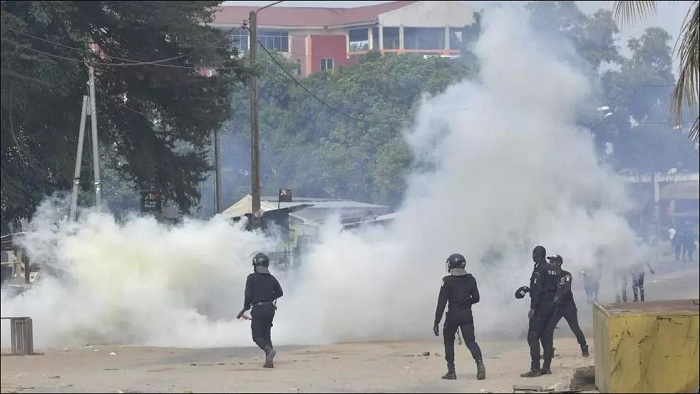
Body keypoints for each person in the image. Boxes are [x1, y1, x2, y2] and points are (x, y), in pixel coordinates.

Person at [433, 253, 486, 381]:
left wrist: (437, 321)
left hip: (452, 315)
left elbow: (442, 302)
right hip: (467, 314)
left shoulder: (447, 281)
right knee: (471, 341)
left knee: (449, 342)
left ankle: (451, 371)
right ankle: (479, 364)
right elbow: (477, 298)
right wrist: (466, 302)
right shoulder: (471, 279)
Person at [540, 255, 589, 375]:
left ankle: (583, 346)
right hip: (556, 307)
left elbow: (565, 289)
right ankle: (549, 351)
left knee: (575, 328)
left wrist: (557, 297)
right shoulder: (549, 276)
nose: (551, 263)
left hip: (568, 306)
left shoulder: (566, 275)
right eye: (550, 261)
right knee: (548, 329)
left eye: (553, 261)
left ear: (559, 263)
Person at [237, 252, 284, 368]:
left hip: (258, 309)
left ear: (255, 265)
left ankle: (268, 350)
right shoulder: (272, 278)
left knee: (257, 336)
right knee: (266, 334)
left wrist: (246, 306)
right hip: (270, 309)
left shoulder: (251, 278)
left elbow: (248, 294)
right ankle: (269, 360)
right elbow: (280, 293)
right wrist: (270, 299)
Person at [521, 245, 559, 378]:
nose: (532, 257)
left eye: (533, 254)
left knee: (533, 336)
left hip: (541, 306)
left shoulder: (539, 269)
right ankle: (547, 367)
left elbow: (537, 290)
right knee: (547, 337)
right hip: (552, 306)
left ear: (537, 255)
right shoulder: (552, 269)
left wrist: (533, 308)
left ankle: (535, 368)